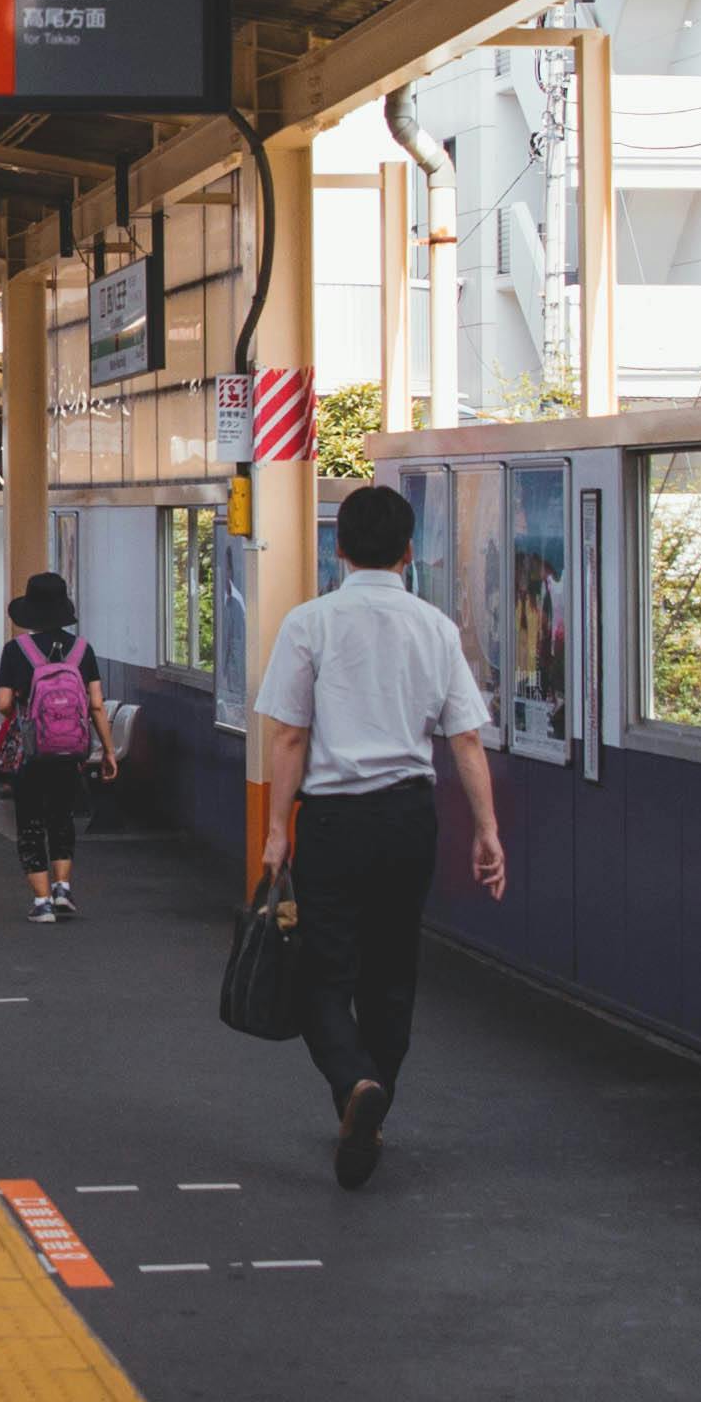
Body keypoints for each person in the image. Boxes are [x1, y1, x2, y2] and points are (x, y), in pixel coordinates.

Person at [249, 481, 507, 1190]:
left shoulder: (310, 623)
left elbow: (291, 735)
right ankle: (374, 1103)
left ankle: (354, 1083)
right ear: (409, 551)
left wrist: (277, 832)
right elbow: (465, 741)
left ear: (338, 547)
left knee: (324, 974)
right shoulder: (435, 628)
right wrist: (485, 830)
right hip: (408, 818)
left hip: (334, 820)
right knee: (392, 973)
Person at [0, 575, 115, 922]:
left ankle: (42, 902)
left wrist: (21, 700)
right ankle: (63, 888)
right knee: (61, 818)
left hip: (31, 754)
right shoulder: (81, 650)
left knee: (30, 822)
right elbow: (95, 705)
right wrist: (106, 750)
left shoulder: (17, 651)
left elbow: (3, 704)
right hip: (70, 752)